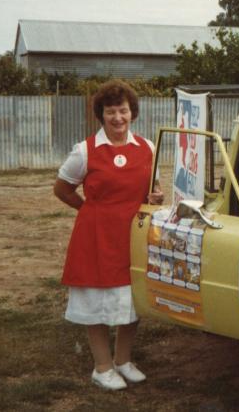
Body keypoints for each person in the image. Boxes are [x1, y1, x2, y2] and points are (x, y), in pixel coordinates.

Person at [53, 80, 163, 390]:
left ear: (133, 113)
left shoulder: (147, 148)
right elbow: (61, 189)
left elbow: (152, 191)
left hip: (133, 237)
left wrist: (154, 199)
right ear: (101, 115)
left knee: (132, 300)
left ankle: (123, 361)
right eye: (111, 111)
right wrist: (90, 211)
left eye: (123, 110)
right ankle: (102, 367)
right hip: (97, 237)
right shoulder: (85, 151)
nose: (118, 118)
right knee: (96, 302)